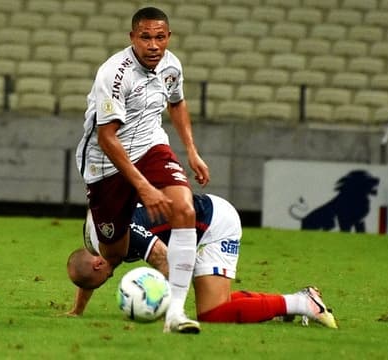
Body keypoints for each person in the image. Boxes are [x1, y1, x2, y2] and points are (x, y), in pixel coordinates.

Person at [75, 7, 209, 334]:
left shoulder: (172, 65)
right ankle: (79, 300)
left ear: (168, 37)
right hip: (106, 164)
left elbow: (176, 102)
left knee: (184, 208)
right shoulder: (113, 74)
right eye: (146, 37)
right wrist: (144, 187)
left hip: (151, 146)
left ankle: (175, 312)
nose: (153, 45)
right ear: (132, 37)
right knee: (113, 252)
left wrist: (191, 150)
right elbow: (107, 138)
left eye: (160, 37)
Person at [67, 194, 338, 329]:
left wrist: (169, 311)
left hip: (214, 225)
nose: (112, 273)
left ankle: (304, 304)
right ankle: (288, 304)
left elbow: (166, 261)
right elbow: (88, 273)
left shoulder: (128, 235)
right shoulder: (97, 235)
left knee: (212, 313)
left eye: (108, 276)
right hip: (195, 221)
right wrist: (77, 310)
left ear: (99, 263)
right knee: (217, 304)